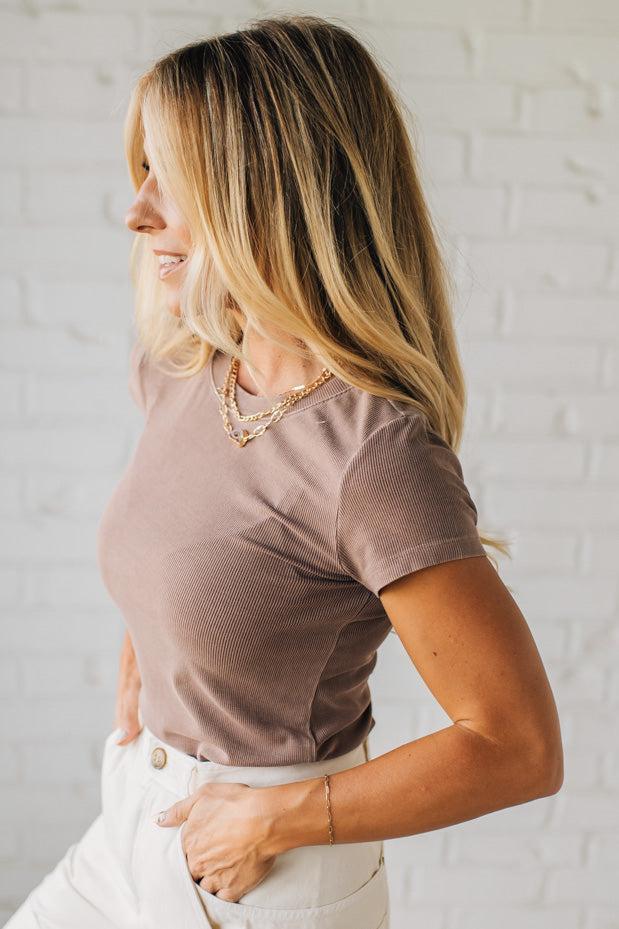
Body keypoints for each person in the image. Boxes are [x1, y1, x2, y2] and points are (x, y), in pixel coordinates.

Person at [5, 13, 564, 929]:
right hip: (128, 831)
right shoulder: (184, 369)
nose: (136, 209)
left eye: (169, 179)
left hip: (260, 877)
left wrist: (273, 817)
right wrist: (147, 667)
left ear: (266, 194)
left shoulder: (374, 457)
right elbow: (189, 540)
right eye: (140, 171)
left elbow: (517, 746)